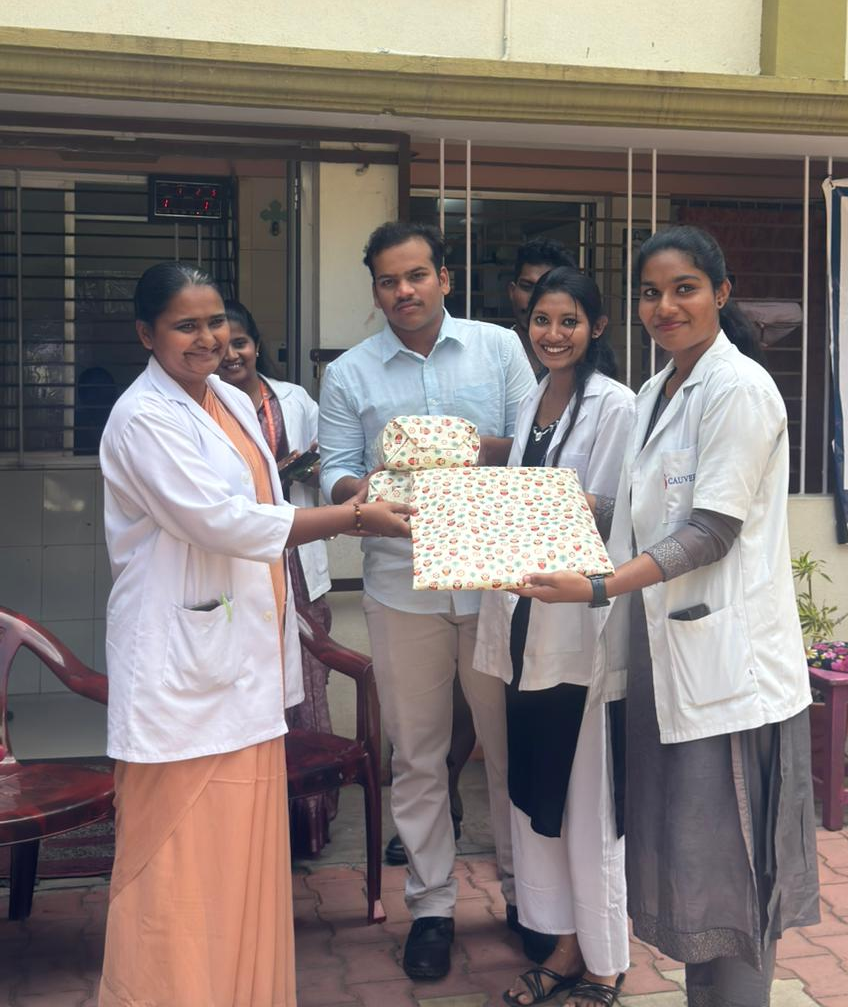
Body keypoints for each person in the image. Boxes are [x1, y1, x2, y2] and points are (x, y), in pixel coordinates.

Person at [515, 226, 820, 1007]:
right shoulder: (657, 391)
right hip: (664, 665)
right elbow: (640, 511)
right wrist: (547, 503)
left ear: (720, 293)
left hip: (729, 672)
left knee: (734, 876)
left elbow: (710, 531)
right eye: (651, 293)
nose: (665, 306)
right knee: (693, 873)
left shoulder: (739, 388)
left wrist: (599, 586)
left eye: (685, 288)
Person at [97, 263, 412, 1007]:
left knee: (242, 857)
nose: (207, 338)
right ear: (146, 334)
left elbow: (259, 503)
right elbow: (224, 522)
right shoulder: (142, 417)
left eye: (215, 322)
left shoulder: (230, 400)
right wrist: (353, 517)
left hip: (240, 663)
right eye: (185, 325)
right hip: (180, 673)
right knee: (177, 863)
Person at [317, 221, 537, 981]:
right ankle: (432, 907)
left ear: (444, 277)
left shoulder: (499, 348)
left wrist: (454, 450)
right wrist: (376, 488)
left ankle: (528, 897)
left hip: (492, 578)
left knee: (507, 748)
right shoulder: (349, 373)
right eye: (388, 281)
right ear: (376, 290)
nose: (403, 291)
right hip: (399, 582)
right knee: (416, 756)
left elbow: (531, 443)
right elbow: (335, 473)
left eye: (416, 275)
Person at [474, 267, 635, 1007]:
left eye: (569, 321)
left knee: (586, 800)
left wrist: (510, 506)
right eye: (542, 320)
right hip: (523, 623)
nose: (553, 334)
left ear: (596, 327)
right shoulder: (530, 398)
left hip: (578, 625)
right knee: (539, 790)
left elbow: (613, 510)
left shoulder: (617, 406)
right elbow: (532, 499)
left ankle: (604, 961)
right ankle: (563, 943)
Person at [217, 298, 337, 858]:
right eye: (222, 345)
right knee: (255, 689)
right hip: (244, 566)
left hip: (298, 563)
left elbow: (332, 461)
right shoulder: (204, 408)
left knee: (309, 686)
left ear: (257, 345)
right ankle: (256, 822)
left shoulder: (294, 399)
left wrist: (307, 469)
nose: (231, 354)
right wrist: (276, 474)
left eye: (240, 342)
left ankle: (311, 820)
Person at [508, 236, 578, 376]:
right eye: (527, 287)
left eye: (547, 290)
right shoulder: (493, 355)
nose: (535, 300)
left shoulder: (581, 362)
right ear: (512, 292)